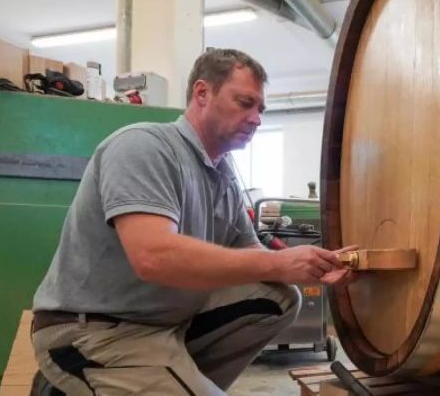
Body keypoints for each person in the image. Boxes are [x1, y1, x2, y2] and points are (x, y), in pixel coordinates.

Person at [30, 48, 354, 395]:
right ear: (202, 93)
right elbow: (154, 257)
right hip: (94, 333)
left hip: (166, 327)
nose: (257, 119)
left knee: (278, 297)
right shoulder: (143, 147)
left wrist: (312, 266)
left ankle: (170, 382)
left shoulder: (223, 174)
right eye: (245, 103)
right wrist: (278, 261)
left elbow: (250, 251)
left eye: (261, 109)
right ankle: (86, 381)